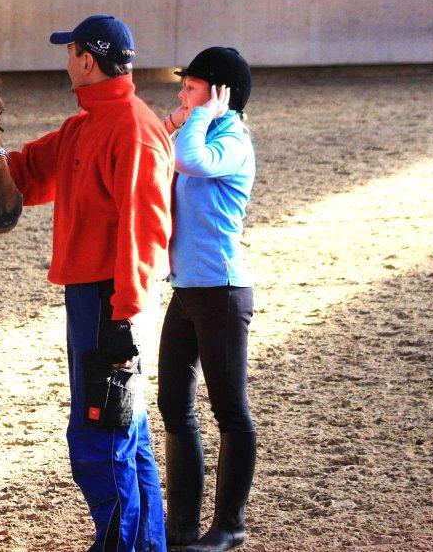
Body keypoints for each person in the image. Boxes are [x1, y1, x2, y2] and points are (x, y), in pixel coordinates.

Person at [7, 14, 173, 552]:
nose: (65, 62)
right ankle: (145, 545)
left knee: (99, 435)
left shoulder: (133, 130)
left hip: (110, 300)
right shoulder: (85, 125)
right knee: (128, 432)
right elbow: (30, 170)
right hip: (95, 296)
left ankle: (121, 545)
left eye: (69, 52)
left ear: (86, 59)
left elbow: (145, 231)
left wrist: (126, 316)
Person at [156, 47, 256, 552]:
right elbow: (156, 143)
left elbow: (187, 159)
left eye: (190, 88)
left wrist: (199, 116)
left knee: (230, 411)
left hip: (221, 290)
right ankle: (182, 528)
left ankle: (230, 526)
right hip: (188, 288)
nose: (181, 94)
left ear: (220, 95)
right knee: (173, 404)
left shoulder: (232, 139)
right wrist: (186, 115)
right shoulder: (203, 128)